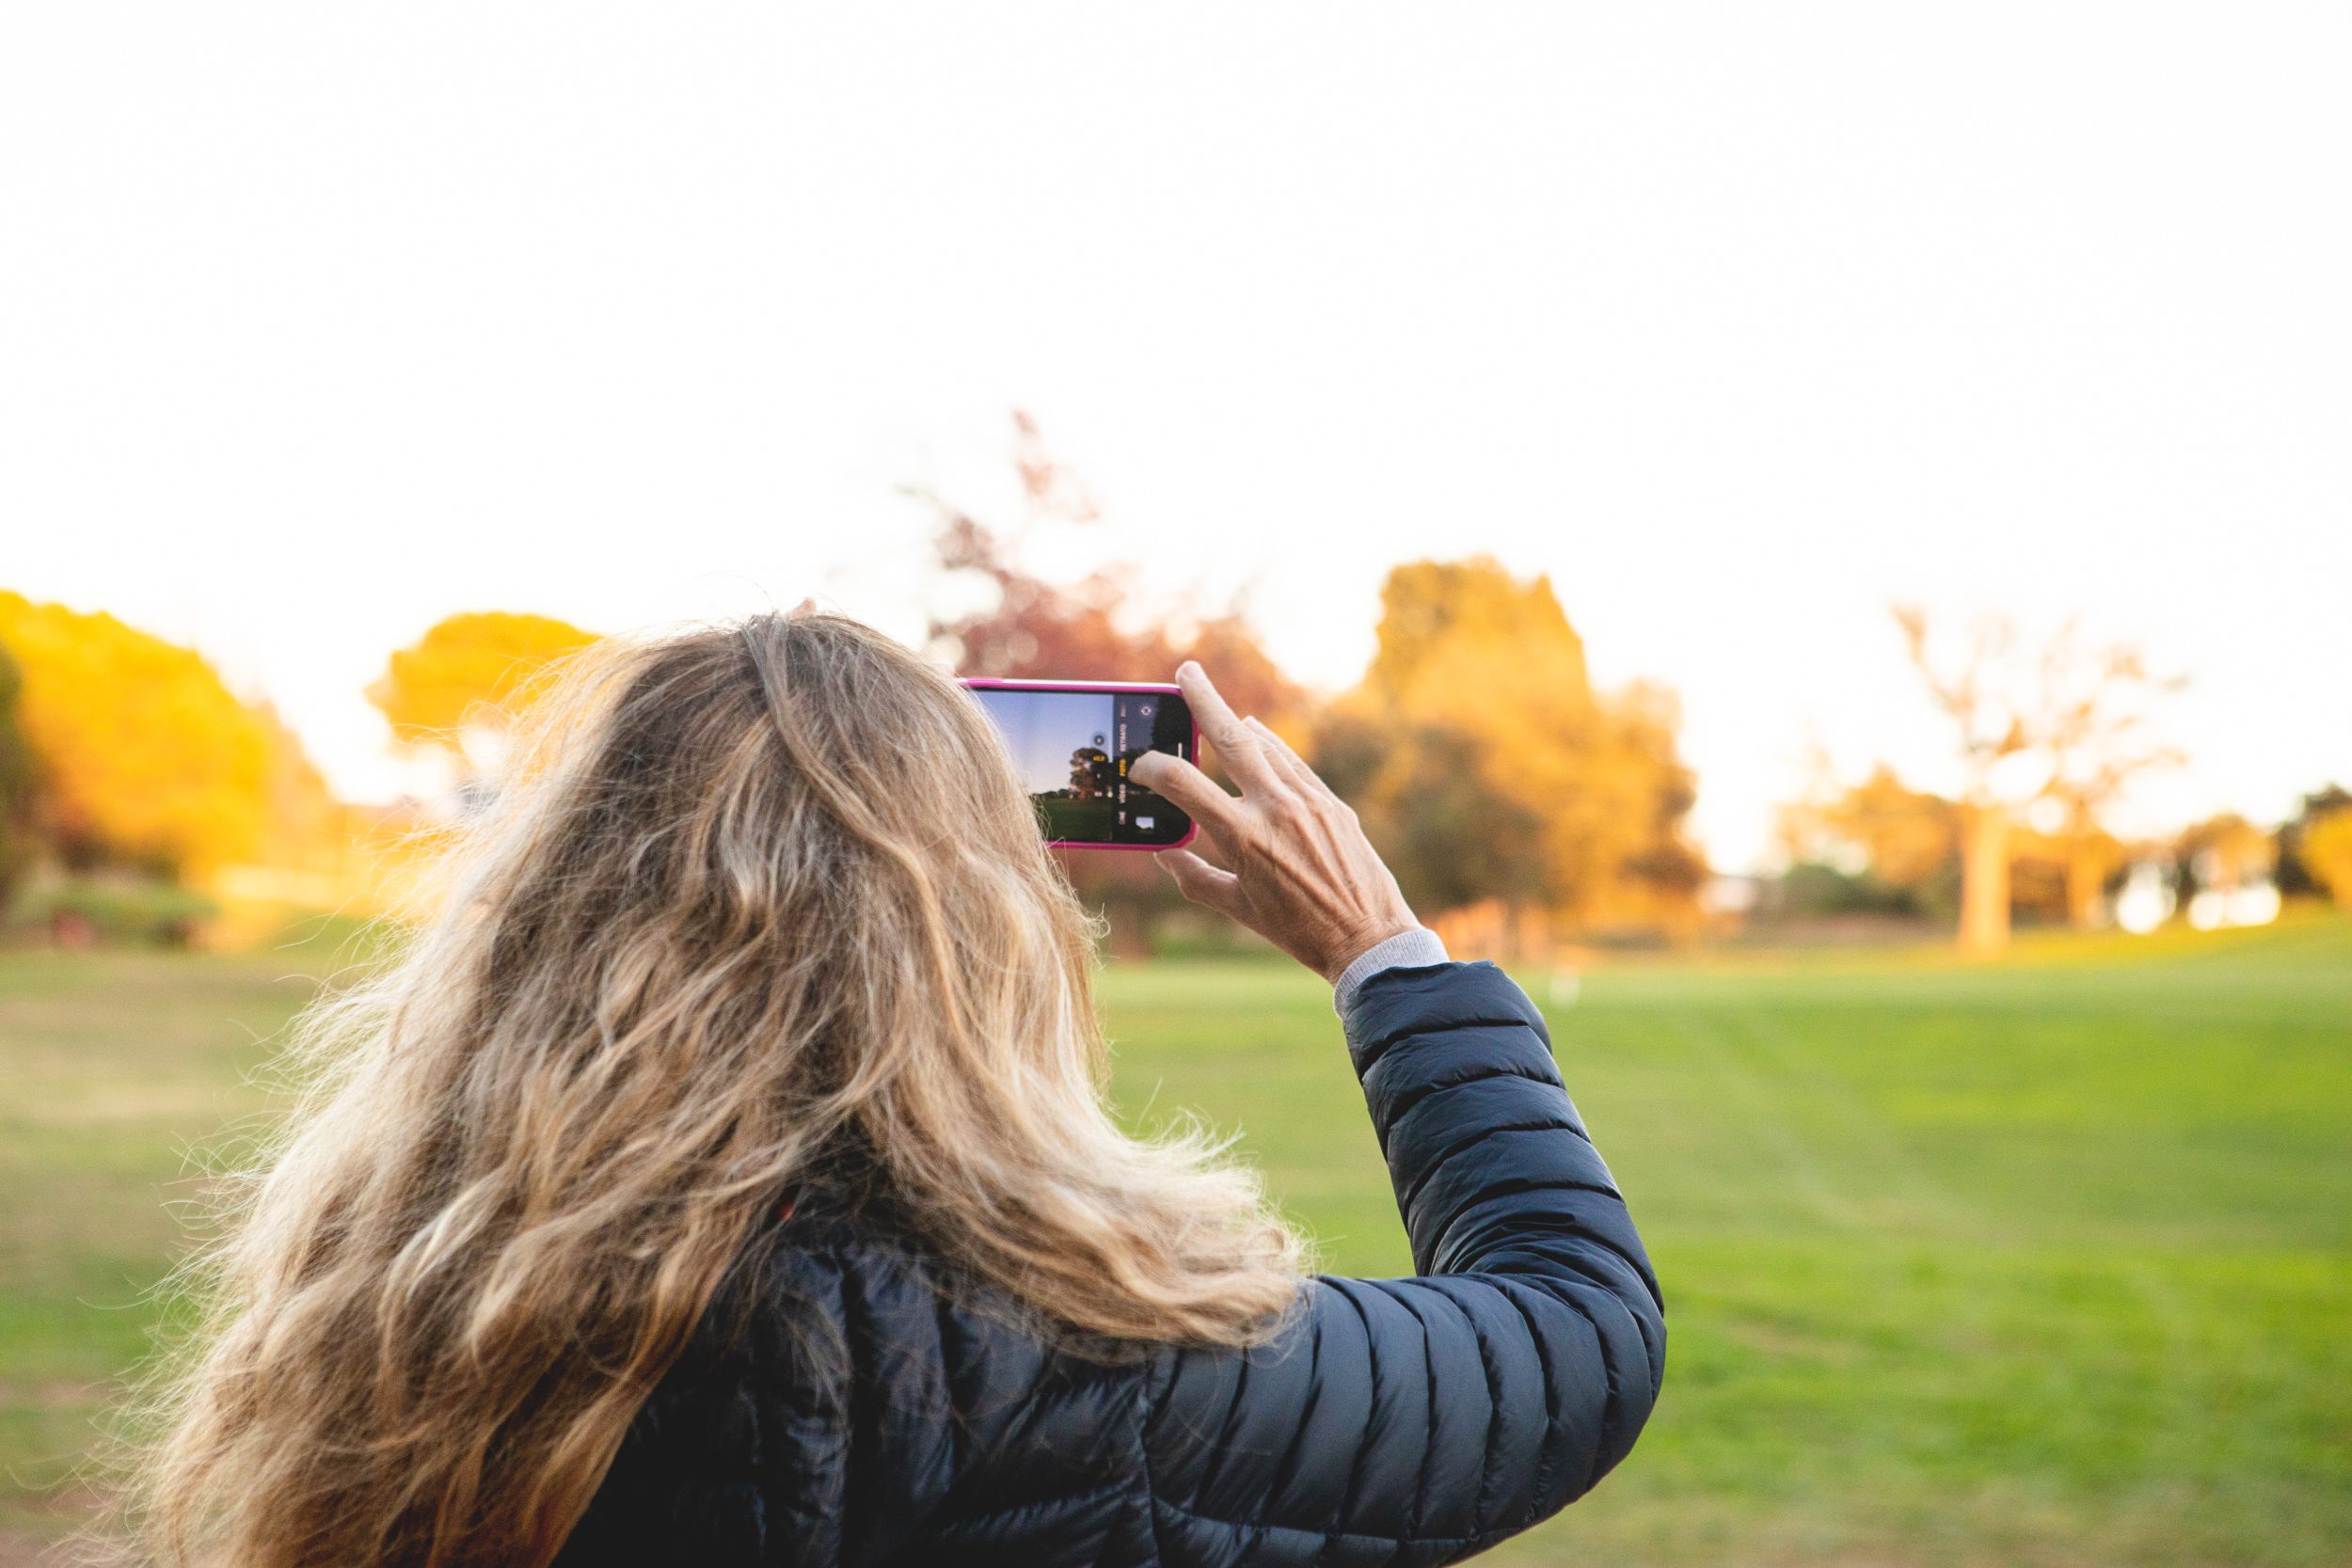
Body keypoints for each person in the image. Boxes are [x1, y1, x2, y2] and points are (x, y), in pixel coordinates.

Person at [119, 610, 1662, 1568]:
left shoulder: (418, 1306)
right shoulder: (1056, 1350)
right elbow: (1573, 1338)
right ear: (974, 927)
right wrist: (1386, 954)